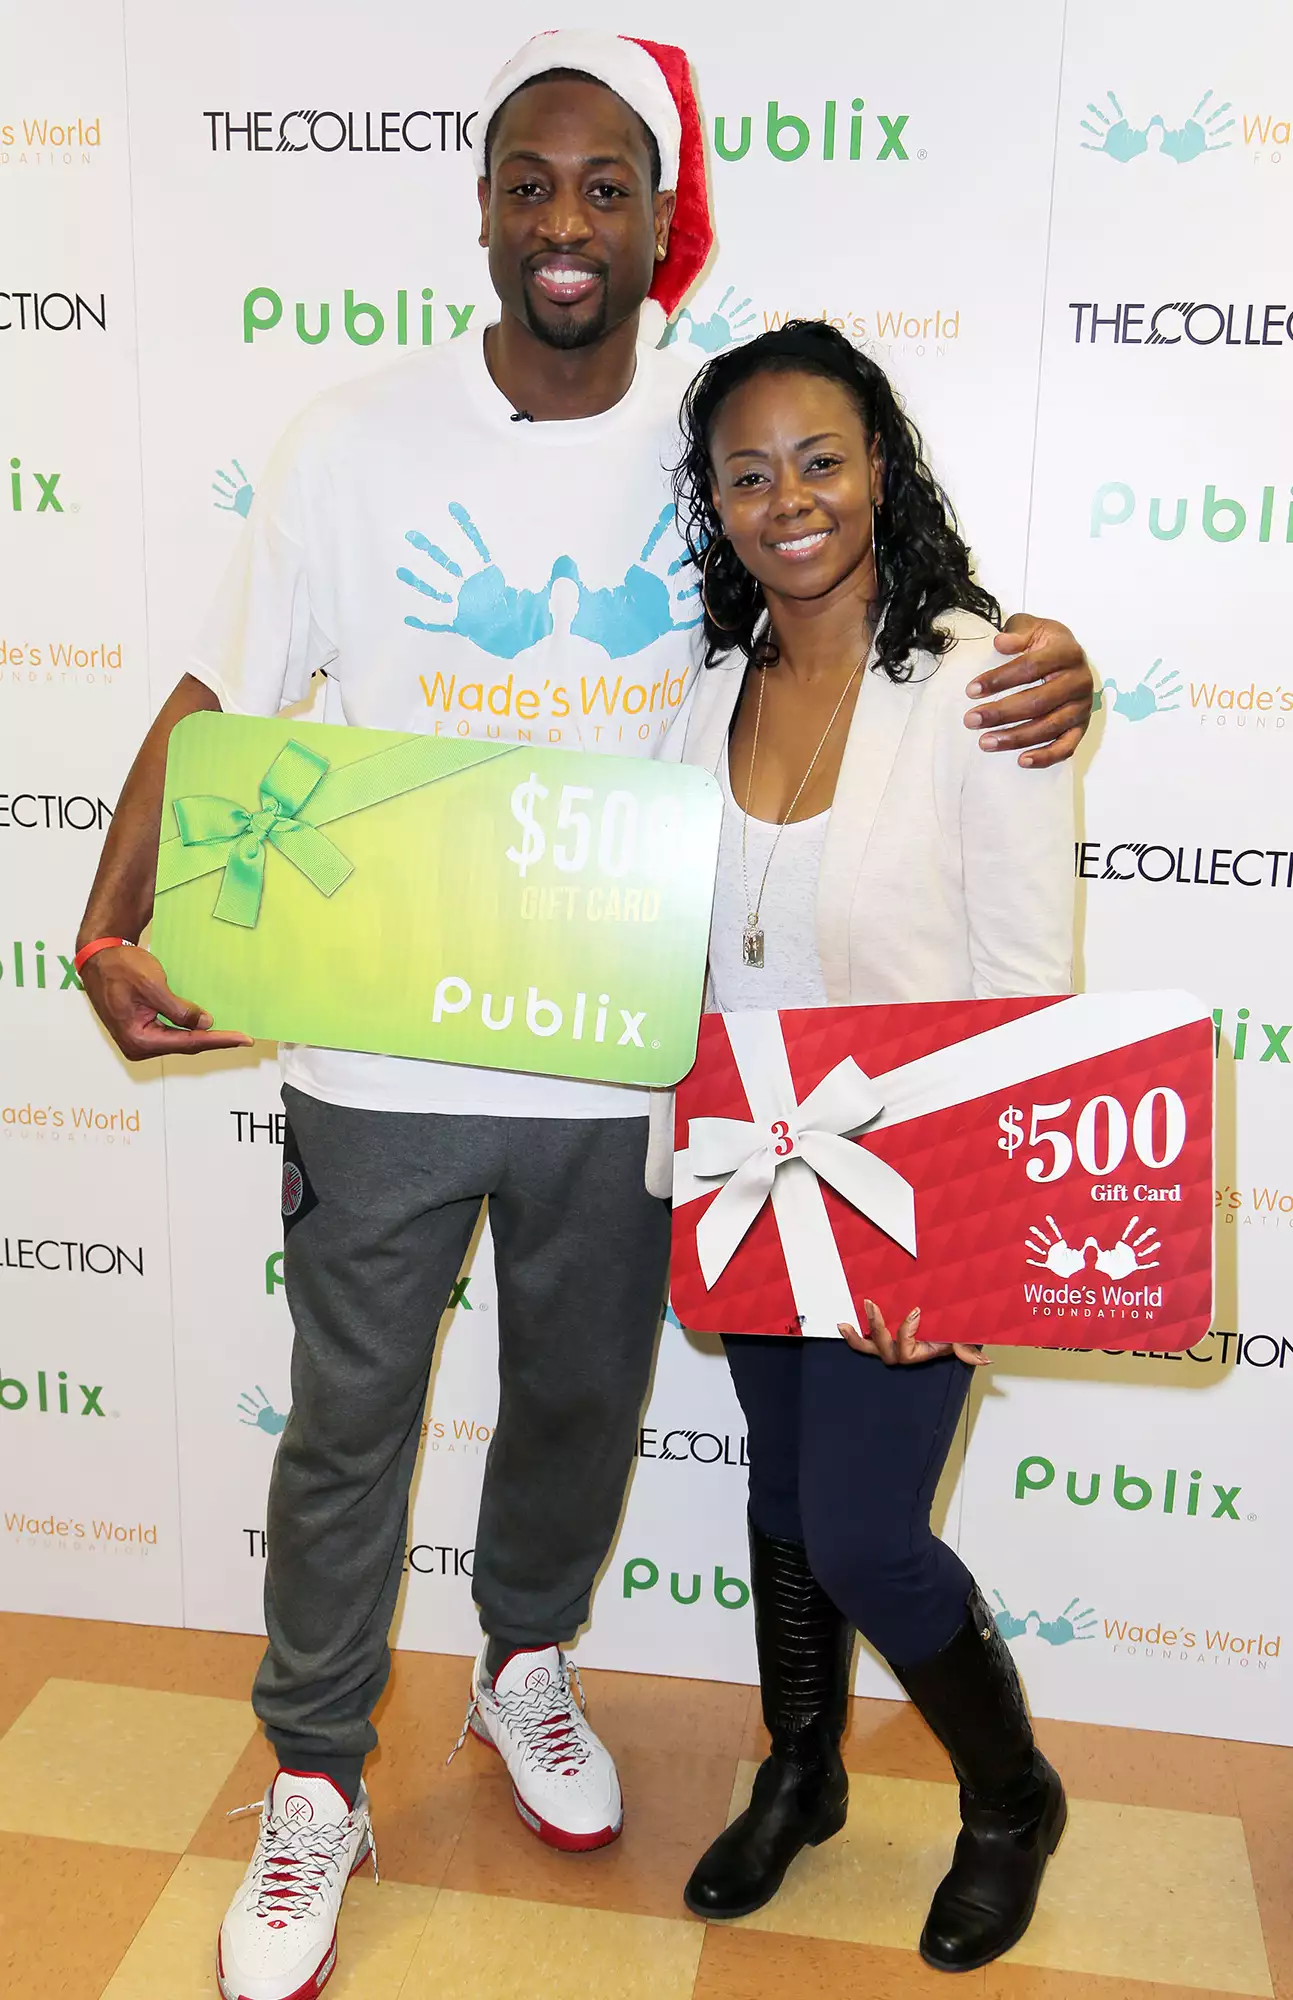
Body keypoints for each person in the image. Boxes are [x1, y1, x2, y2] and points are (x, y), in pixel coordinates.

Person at [71, 33, 1090, 2000]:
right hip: (372, 1056)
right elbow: (219, 693)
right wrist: (111, 915)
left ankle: (525, 1661)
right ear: (479, 206)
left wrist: (1050, 660)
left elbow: (867, 613)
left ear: (655, 220)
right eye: (527, 182)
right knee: (348, 1430)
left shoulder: (710, 435)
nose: (562, 221)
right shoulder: (346, 439)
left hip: (629, 1070)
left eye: (603, 187)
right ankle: (312, 1771)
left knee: (572, 1409)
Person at [657, 320, 1073, 1972]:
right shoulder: (704, 693)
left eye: (819, 459)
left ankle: (1009, 1796)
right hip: (746, 1186)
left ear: (881, 467)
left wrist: (967, 1247)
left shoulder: (983, 682)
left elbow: (1029, 996)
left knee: (862, 1532)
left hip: (915, 1197)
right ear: (715, 503)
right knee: (779, 1496)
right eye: (747, 473)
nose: (788, 498)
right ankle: (805, 1770)